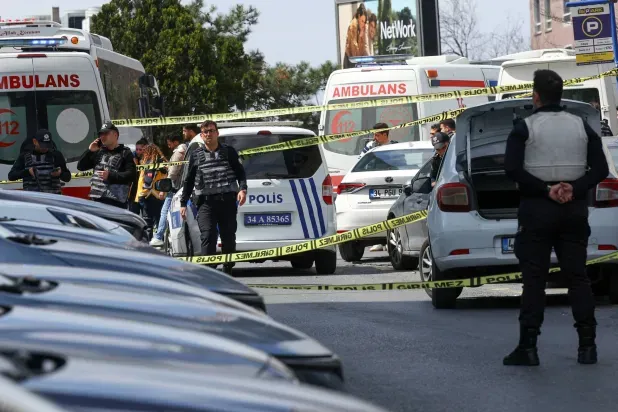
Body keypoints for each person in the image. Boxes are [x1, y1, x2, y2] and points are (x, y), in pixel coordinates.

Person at [503, 69, 609, 366]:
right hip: (573, 209)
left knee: (534, 280)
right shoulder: (580, 126)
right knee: (578, 278)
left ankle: (528, 347)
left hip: (537, 210)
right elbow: (601, 169)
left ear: (535, 96)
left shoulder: (524, 127)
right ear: (560, 95)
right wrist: (574, 188)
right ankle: (588, 347)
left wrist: (546, 190)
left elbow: (512, 169)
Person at [180, 120, 247, 275]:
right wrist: (183, 202)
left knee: (228, 236)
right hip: (206, 203)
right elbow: (189, 180)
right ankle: (209, 271)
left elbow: (240, 173)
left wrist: (243, 189)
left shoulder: (229, 152)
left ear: (217, 133)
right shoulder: (196, 155)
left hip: (227, 201)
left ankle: (228, 267)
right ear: (202, 135)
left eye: (211, 131)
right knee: (208, 235)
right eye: (205, 132)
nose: (209, 134)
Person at [77, 121, 137, 209]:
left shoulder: (125, 153)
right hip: (96, 201)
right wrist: (90, 151)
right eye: (101, 134)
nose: (102, 136)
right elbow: (80, 167)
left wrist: (110, 175)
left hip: (115, 203)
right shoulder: (98, 151)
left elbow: (131, 175)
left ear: (115, 135)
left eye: (106, 133)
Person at [150, 135, 187, 246]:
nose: (168, 145)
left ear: (175, 142)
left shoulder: (179, 152)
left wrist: (164, 189)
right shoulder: (186, 150)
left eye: (169, 143)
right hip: (181, 188)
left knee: (164, 212)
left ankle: (158, 237)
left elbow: (172, 173)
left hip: (174, 189)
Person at [8, 129, 71, 194]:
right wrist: (28, 172)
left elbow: (68, 177)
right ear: (35, 141)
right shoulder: (24, 156)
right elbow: (11, 176)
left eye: (47, 145)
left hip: (53, 197)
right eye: (42, 145)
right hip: (32, 197)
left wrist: (60, 173)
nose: (45, 148)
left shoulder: (56, 155)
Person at [136, 144, 168, 240]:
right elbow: (166, 174)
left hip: (148, 194)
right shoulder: (157, 162)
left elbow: (147, 179)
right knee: (157, 218)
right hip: (154, 194)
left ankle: (149, 240)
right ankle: (158, 240)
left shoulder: (149, 162)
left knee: (148, 220)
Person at [128, 138, 148, 214]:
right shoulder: (133, 156)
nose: (138, 151)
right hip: (134, 188)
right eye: (137, 149)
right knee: (133, 213)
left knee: (146, 215)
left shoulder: (149, 158)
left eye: (140, 150)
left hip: (144, 189)